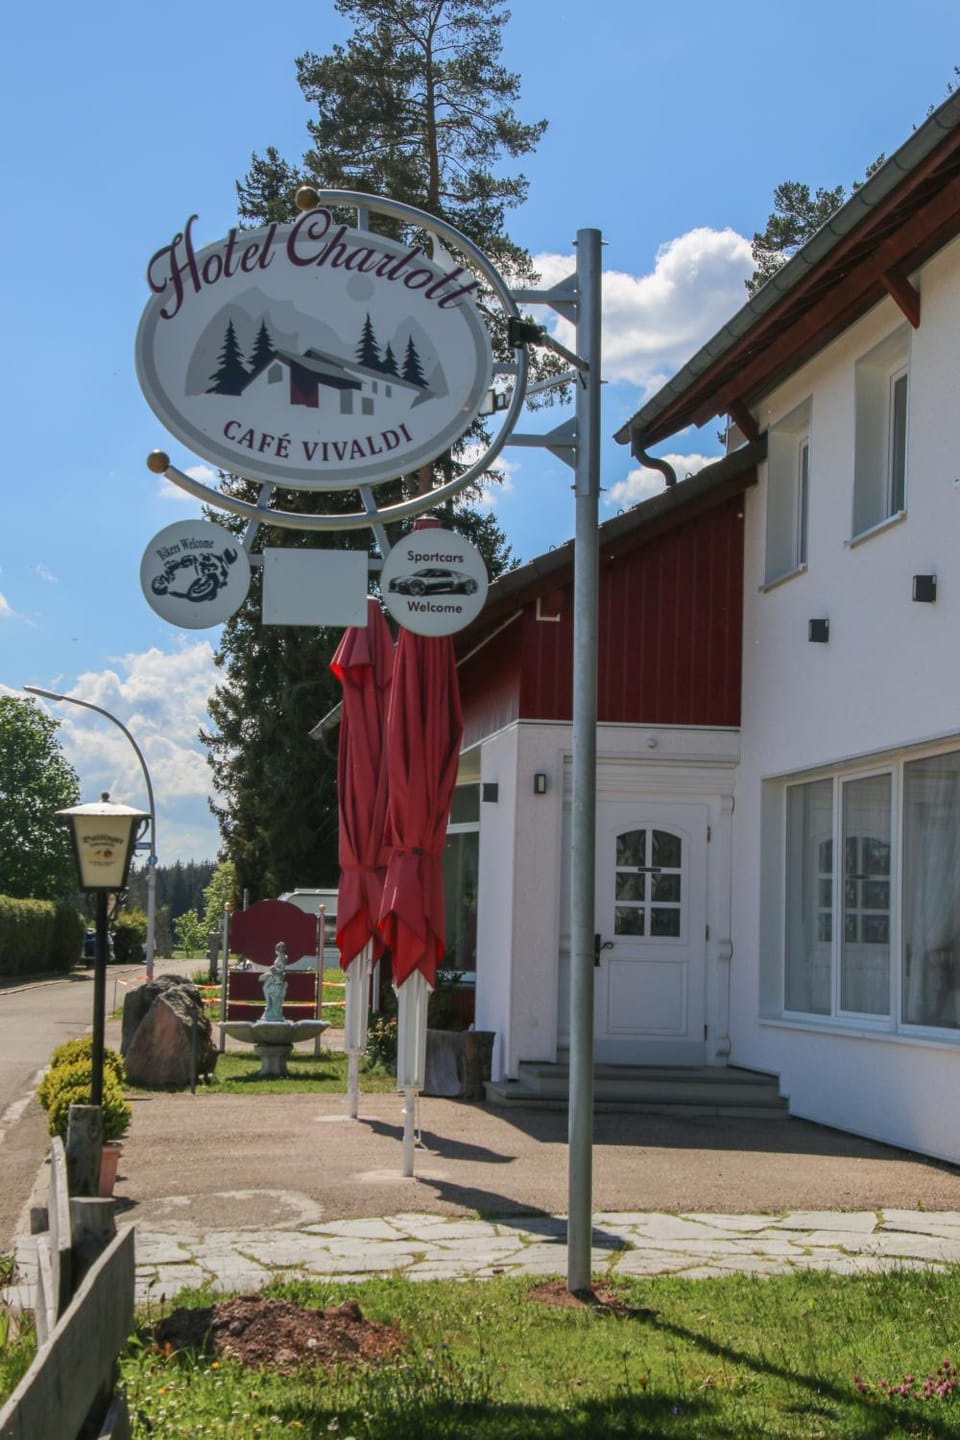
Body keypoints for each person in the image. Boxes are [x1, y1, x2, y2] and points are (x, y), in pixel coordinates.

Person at [260, 942, 288, 1021]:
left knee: (267, 989)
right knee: (265, 988)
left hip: (278, 977)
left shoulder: (284, 957)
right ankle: (268, 1004)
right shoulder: (278, 957)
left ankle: (269, 1006)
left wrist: (275, 970)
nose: (280, 949)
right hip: (274, 975)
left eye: (281, 948)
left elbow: (282, 969)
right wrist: (272, 970)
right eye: (279, 948)